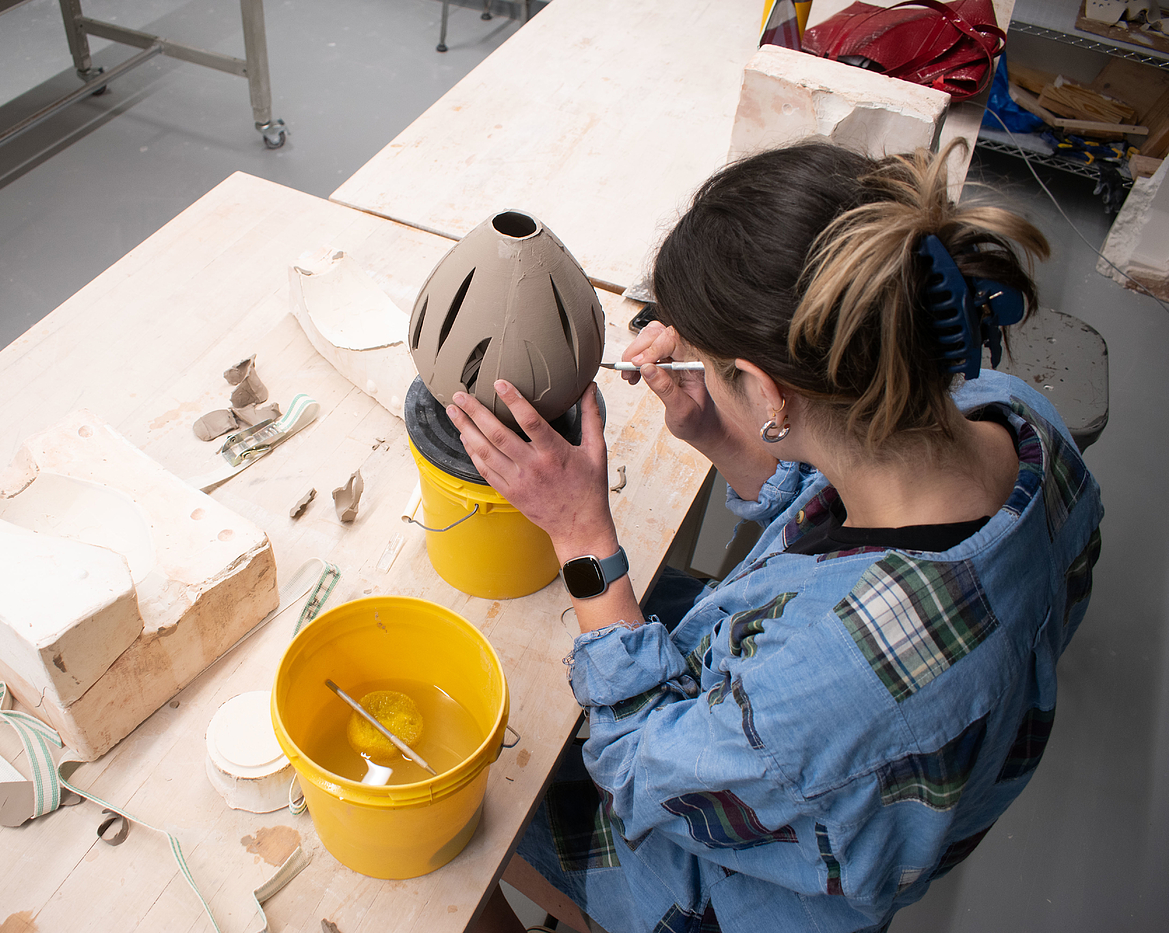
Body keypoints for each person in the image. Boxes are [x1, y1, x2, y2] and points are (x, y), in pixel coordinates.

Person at [446, 141, 1103, 933]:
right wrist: (728, 437)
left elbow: (638, 764)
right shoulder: (1017, 414)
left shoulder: (828, 682)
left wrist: (582, 535)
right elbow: (843, 511)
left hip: (737, 888)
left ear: (766, 389)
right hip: (857, 761)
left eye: (711, 363)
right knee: (642, 612)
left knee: (473, 794)